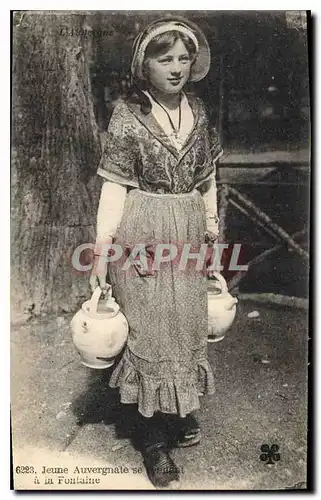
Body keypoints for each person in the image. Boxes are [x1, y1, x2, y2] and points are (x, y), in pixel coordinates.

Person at [90, 16, 223, 489]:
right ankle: (152, 439)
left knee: (183, 323)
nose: (176, 68)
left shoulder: (200, 112)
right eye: (164, 58)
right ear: (143, 65)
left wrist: (209, 227)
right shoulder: (129, 115)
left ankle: (176, 412)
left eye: (184, 58)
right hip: (142, 229)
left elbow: (208, 178)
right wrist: (103, 252)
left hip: (186, 227)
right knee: (149, 327)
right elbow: (113, 189)